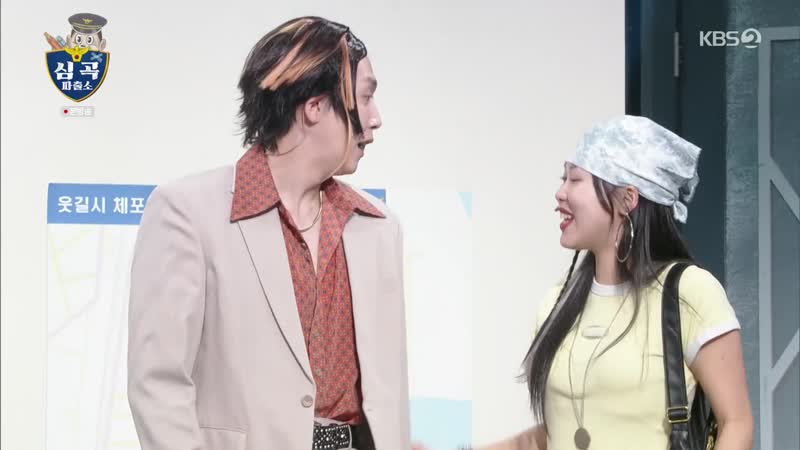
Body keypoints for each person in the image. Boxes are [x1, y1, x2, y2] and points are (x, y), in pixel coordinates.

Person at [127, 16, 412, 450]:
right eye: (366, 97)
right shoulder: (188, 213)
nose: (375, 119)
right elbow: (158, 384)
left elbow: (388, 396)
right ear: (315, 106)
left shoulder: (378, 228)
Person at [477, 115, 753, 450]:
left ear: (627, 199)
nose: (560, 194)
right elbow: (554, 435)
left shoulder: (690, 293)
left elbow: (736, 424)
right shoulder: (557, 303)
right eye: (563, 179)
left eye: (575, 180)